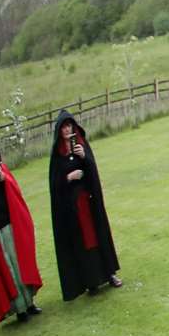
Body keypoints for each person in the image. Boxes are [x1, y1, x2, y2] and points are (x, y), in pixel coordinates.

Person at [47, 112, 121, 299]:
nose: (67, 130)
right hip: (72, 208)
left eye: (70, 126)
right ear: (59, 130)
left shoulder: (81, 144)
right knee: (81, 243)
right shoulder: (57, 154)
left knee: (98, 236)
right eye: (64, 127)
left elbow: (93, 172)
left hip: (88, 203)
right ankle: (91, 281)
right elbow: (54, 183)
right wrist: (68, 178)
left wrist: (84, 158)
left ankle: (110, 274)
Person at [0, 151, 43, 324]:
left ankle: (29, 303)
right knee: (7, 270)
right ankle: (19, 309)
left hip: (9, 223)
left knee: (19, 264)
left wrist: (2, 179)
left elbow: (14, 189)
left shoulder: (0, 167)